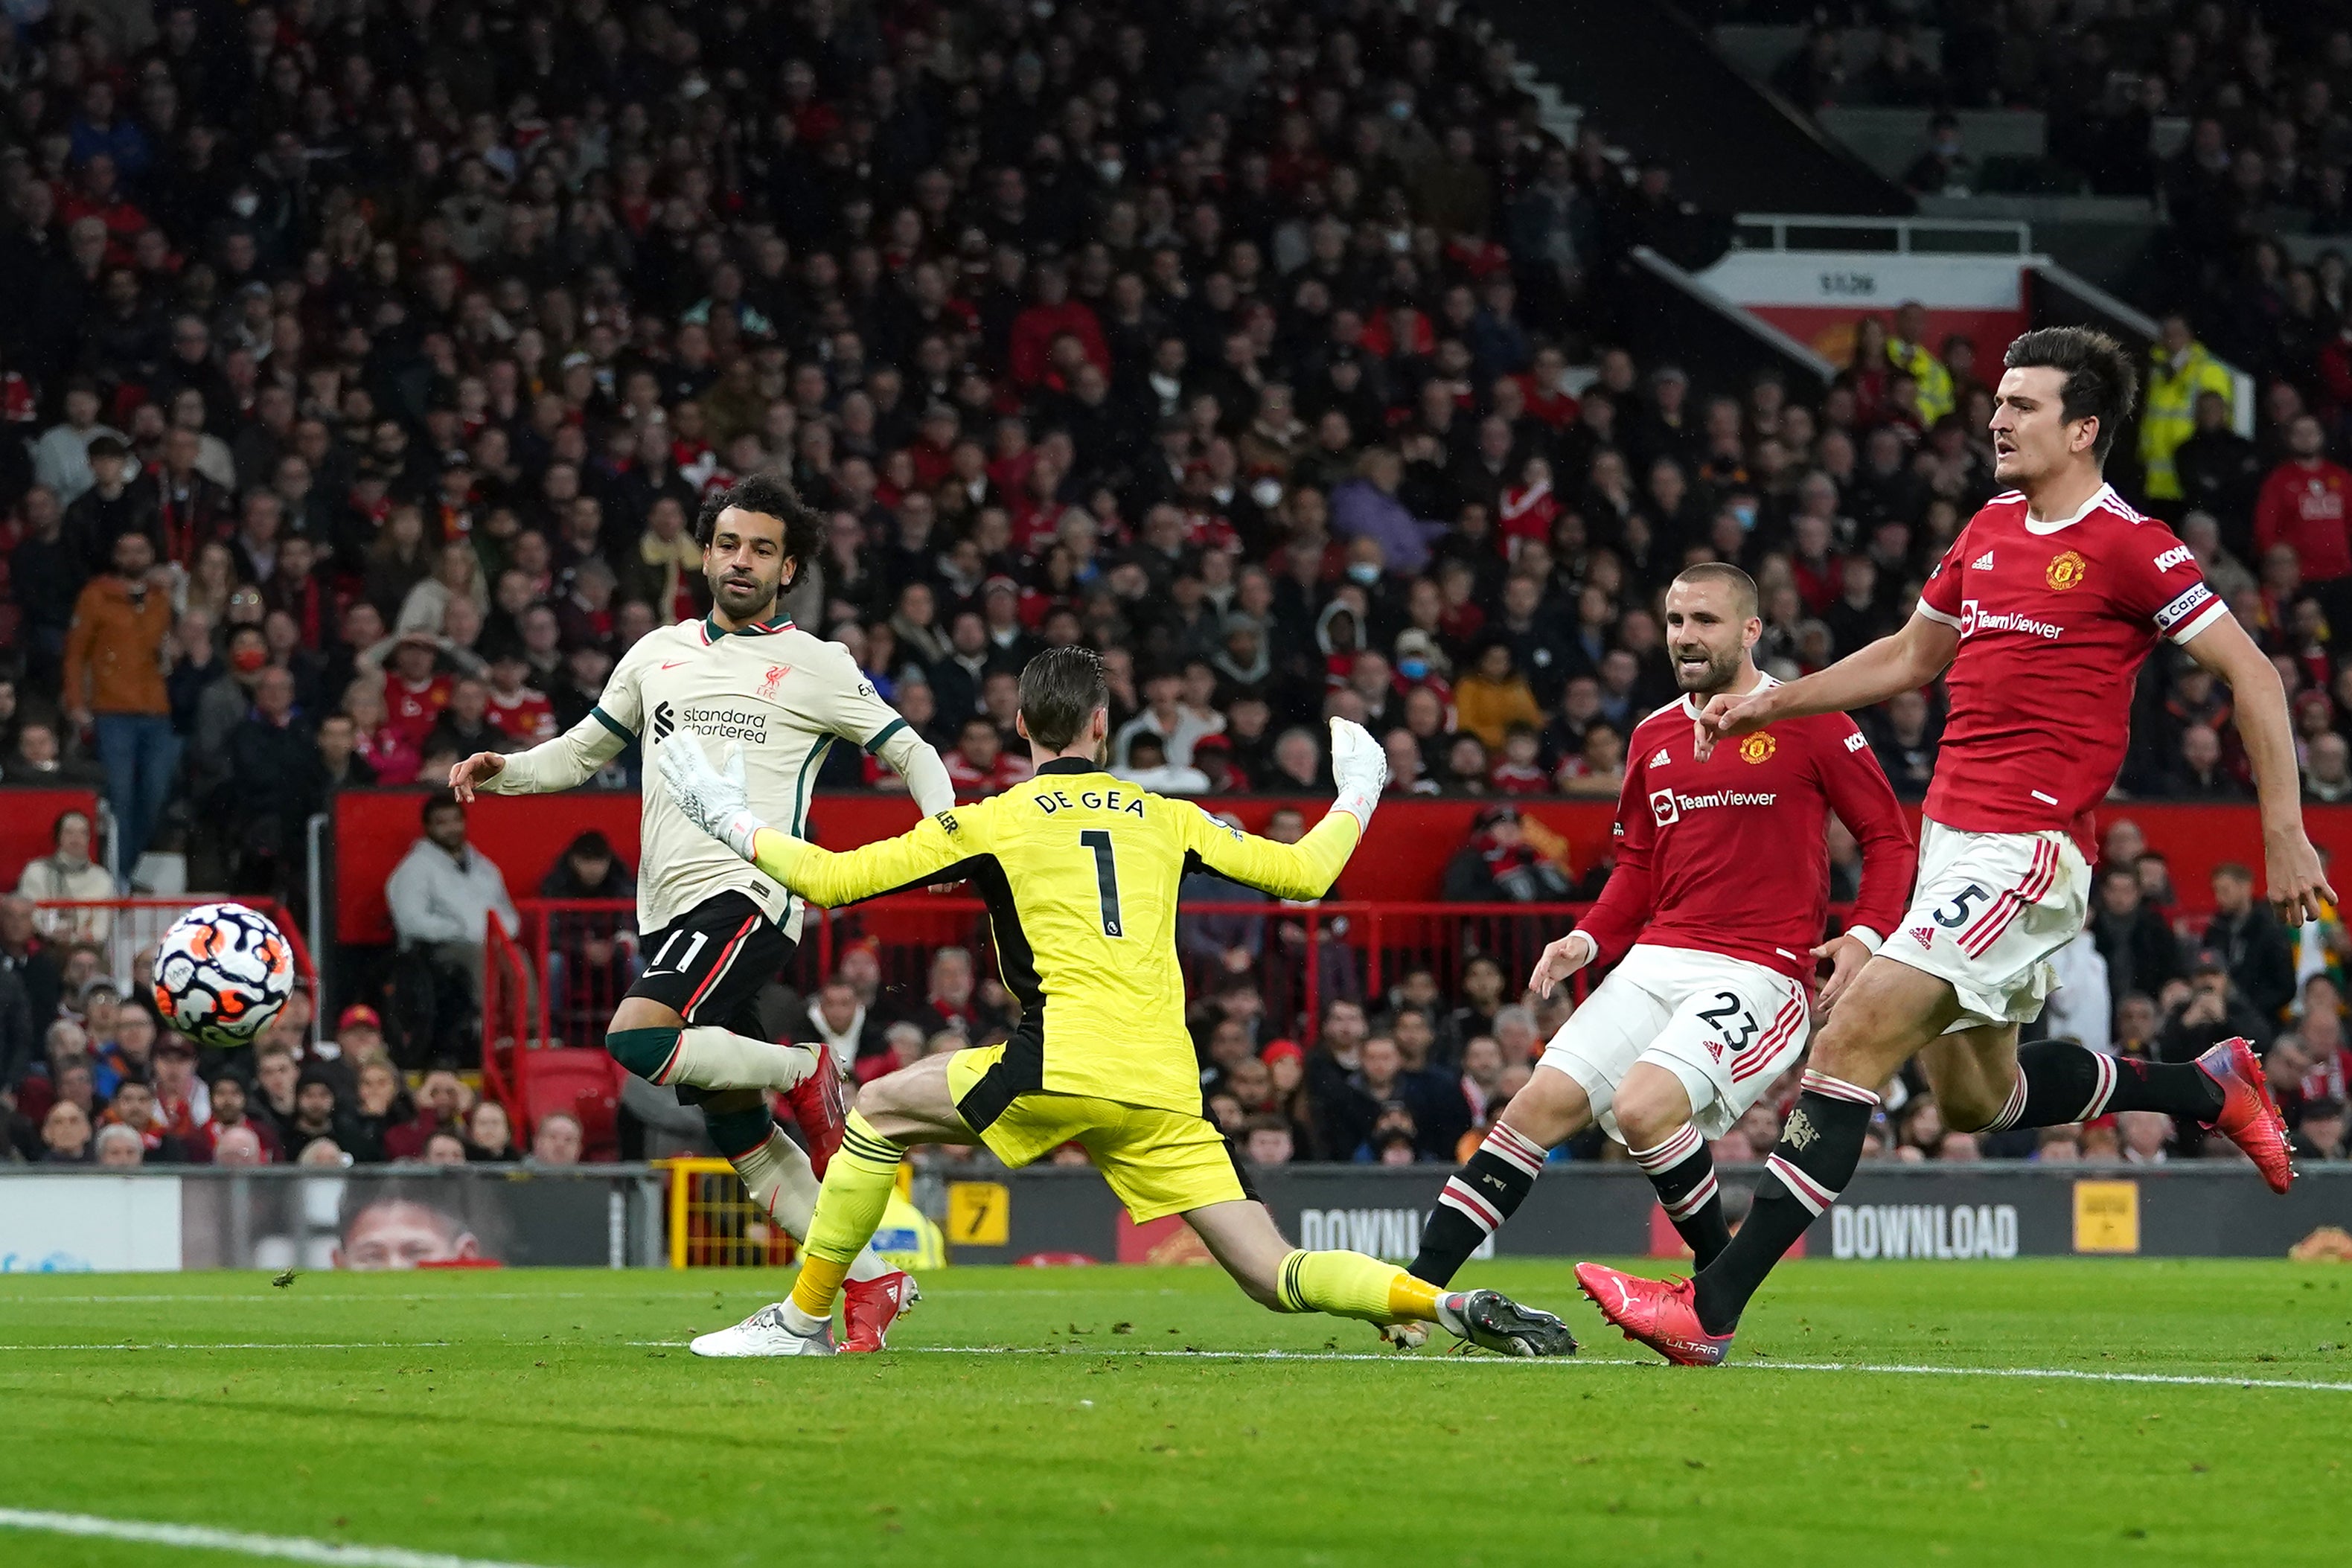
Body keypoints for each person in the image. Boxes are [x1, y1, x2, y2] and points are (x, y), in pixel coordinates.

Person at [1581, 326, 2324, 1366]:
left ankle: (1711, 1306)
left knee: (1850, 1041)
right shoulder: (1985, 528)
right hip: (1951, 843)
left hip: (2026, 847)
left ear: (2084, 427)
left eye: (2021, 405)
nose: (1997, 419)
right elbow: (1910, 656)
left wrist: (2284, 833)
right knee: (1981, 1098)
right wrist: (1776, 701)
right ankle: (2212, 1085)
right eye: (1998, 402)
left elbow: (2255, 675)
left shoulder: (2131, 544)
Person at [662, 646, 1572, 1359]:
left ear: (1020, 724)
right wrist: (1358, 790)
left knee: (881, 1111)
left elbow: (828, 878)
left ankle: (802, 1315)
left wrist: (725, 815)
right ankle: (1442, 1300)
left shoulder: (991, 819)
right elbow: (1305, 874)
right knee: (1271, 1269)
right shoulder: (1166, 812)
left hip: (1061, 1057)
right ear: (1103, 724)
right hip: (1165, 1083)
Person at [448, 473, 953, 1352]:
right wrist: (508, 770)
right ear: (705, 552)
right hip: (668, 910)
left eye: (761, 548)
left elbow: (910, 749)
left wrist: (945, 833)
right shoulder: (656, 654)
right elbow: (580, 753)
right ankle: (869, 1274)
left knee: (635, 1038)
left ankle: (804, 1065)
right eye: (727, 543)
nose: (741, 560)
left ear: (788, 566)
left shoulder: (817, 663)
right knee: (743, 1139)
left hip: (750, 892)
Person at [1398, 565, 1915, 1323]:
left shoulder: (1810, 717)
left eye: (1703, 620)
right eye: (1674, 621)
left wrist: (1866, 935)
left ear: (1748, 630)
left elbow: (1889, 839)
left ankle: (1713, 1295)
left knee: (1644, 1109)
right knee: (1533, 1109)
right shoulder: (1652, 735)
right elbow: (1636, 867)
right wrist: (1585, 937)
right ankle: (1407, 1301)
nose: (1684, 636)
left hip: (1760, 969)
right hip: (1654, 959)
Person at [60, 528, 178, 881]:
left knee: (155, 795)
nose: (134, 558)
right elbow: (75, 655)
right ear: (115, 557)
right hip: (113, 710)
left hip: (157, 709)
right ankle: (116, 876)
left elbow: (168, 648)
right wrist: (77, 703)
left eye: (140, 551)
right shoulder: (96, 596)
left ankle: (119, 870)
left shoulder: (161, 598)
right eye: (126, 551)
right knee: (121, 798)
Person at [383, 791, 520, 1066]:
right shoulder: (414, 869)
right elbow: (411, 921)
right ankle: (487, 1027)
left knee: (517, 955)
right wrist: (458, 930)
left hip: (486, 941)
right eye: (442, 822)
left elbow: (509, 913)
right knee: (475, 954)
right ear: (429, 827)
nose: (451, 828)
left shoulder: (484, 868)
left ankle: (525, 1029)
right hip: (437, 949)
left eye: (456, 821)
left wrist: (501, 933)